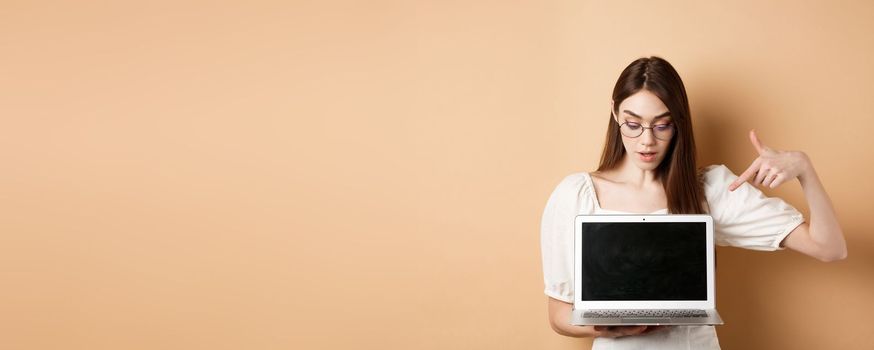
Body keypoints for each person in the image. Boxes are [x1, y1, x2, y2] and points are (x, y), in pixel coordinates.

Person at [540, 56, 848, 349]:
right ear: (614, 112)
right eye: (633, 125)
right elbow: (558, 314)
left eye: (662, 125)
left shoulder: (709, 190)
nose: (647, 141)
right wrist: (616, 327)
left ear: (679, 123)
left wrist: (804, 169)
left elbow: (829, 248)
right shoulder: (576, 194)